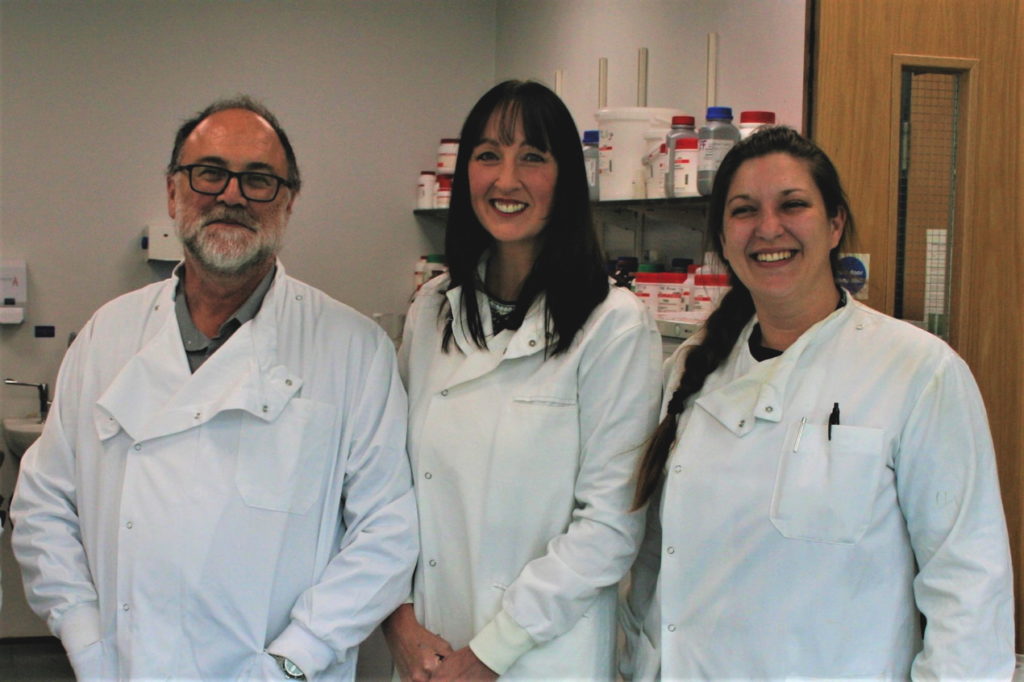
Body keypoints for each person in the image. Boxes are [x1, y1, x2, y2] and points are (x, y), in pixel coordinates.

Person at [11, 96, 419, 681]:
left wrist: (294, 657)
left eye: (258, 180)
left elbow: (387, 531)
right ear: (174, 192)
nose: (232, 195)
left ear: (288, 200)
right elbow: (45, 505)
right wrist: (85, 637)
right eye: (210, 173)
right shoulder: (109, 334)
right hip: (125, 667)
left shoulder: (353, 349)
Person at [622, 126, 1015, 679]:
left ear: (834, 225)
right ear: (724, 237)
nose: (768, 228)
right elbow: (653, 569)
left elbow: (969, 586)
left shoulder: (917, 372)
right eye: (743, 211)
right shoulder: (689, 371)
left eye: (793, 205)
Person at [382, 80, 661, 681]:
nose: (506, 180)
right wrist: (400, 624)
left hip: (542, 656)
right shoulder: (433, 310)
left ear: (565, 180)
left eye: (532, 157)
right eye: (488, 155)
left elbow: (610, 526)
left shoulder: (613, 325)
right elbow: (392, 489)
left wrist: (489, 654)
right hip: (431, 652)